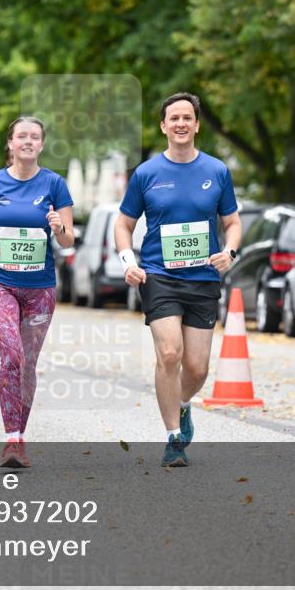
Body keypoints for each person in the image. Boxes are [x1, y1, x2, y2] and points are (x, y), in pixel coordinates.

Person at [114, 92, 242, 468]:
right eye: (174, 118)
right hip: (159, 275)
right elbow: (123, 224)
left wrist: (230, 252)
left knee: (198, 368)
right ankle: (173, 437)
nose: (181, 124)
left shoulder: (216, 171)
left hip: (202, 278)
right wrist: (128, 261)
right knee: (170, 354)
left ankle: (184, 404)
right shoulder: (147, 174)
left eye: (188, 118)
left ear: (197, 125)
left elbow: (232, 224)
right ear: (163, 126)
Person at [0, 117, 75, 468]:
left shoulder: (55, 184)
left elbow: (68, 239)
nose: (28, 141)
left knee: (27, 364)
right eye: (21, 136)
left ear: (42, 145)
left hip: (40, 287)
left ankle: (20, 436)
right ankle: (11, 440)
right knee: (12, 355)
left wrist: (60, 228)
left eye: (35, 137)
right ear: (10, 144)